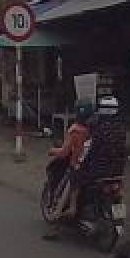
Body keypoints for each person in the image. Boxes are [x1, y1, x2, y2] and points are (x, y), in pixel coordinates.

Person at [42, 100, 94, 240]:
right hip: (93, 169)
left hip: (76, 168)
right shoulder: (94, 130)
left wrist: (52, 151)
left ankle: (54, 227)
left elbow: (64, 152)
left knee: (61, 196)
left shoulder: (75, 130)